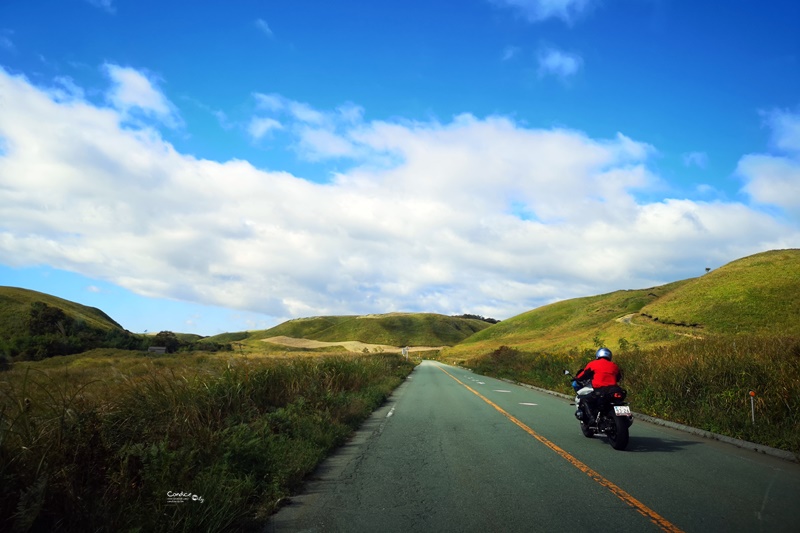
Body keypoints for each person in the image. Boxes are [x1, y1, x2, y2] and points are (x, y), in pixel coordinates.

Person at [574, 347, 623, 417]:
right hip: (615, 390)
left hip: (600, 391)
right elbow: (618, 377)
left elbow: (583, 374)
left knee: (582, 399)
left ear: (598, 355)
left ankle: (591, 418)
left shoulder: (593, 364)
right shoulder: (614, 365)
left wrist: (577, 378)